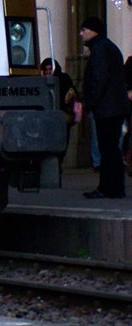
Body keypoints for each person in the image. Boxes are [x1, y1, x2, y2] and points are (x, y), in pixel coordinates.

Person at [79, 17, 127, 199]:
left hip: (107, 108)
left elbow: (98, 79)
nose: (81, 34)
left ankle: (108, 188)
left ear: (94, 31)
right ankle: (114, 187)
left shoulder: (100, 50)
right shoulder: (109, 47)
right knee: (111, 149)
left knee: (107, 149)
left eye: (84, 30)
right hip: (115, 107)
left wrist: (91, 103)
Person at [40, 58, 77, 167]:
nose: (48, 72)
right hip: (49, 116)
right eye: (45, 70)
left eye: (50, 69)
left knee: (63, 141)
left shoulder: (63, 78)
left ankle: (58, 163)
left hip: (62, 114)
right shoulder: (41, 81)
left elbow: (71, 93)